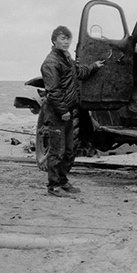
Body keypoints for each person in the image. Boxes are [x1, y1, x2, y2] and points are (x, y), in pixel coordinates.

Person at [40, 26, 104, 197]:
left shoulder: (66, 58)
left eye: (68, 38)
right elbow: (53, 92)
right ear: (54, 41)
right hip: (57, 113)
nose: (66, 42)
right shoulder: (51, 63)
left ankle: (62, 181)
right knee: (57, 151)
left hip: (69, 111)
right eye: (62, 39)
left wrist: (94, 66)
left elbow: (78, 73)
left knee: (69, 150)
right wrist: (63, 111)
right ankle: (53, 186)